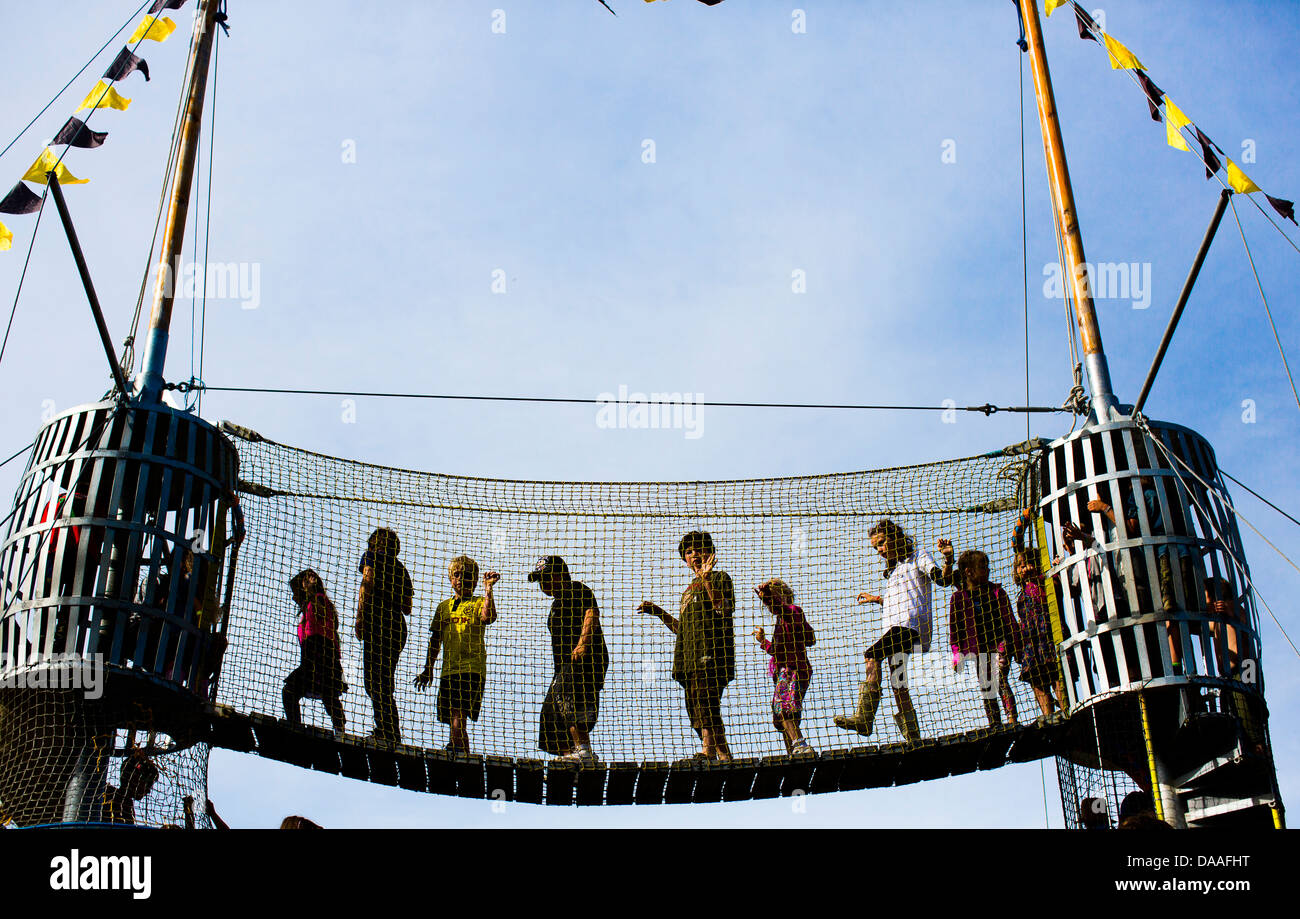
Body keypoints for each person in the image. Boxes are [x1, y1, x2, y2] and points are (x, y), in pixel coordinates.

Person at [835, 519, 954, 743]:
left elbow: (942, 580)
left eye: (882, 543)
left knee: (872, 655)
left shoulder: (918, 556)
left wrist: (948, 558)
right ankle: (913, 736)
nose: (879, 550)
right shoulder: (894, 571)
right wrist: (877, 599)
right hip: (897, 628)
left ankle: (864, 717)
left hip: (910, 627)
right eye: (875, 547)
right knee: (897, 683)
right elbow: (901, 600)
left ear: (896, 537)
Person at [638, 530, 736, 762]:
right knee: (698, 709)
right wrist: (660, 614)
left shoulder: (720, 578)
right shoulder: (688, 591)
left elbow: (722, 609)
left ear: (710, 552)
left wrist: (706, 579)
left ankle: (707, 752)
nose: (694, 555)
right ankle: (724, 757)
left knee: (706, 703)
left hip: (712, 654)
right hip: (688, 659)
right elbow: (683, 629)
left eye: (699, 549)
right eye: (689, 552)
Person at [414, 556, 499, 753]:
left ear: (476, 580)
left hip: (471, 667)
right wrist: (428, 669)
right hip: (448, 670)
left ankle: (457, 748)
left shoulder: (478, 602)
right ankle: (458, 747)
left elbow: (488, 617)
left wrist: (488, 589)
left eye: (468, 576)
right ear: (450, 579)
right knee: (453, 713)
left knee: (457, 710)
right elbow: (435, 640)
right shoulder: (443, 607)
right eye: (457, 575)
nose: (461, 579)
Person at [530, 556, 609, 764]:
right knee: (551, 711)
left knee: (572, 698)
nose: (543, 584)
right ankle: (570, 755)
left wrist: (583, 643)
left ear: (559, 574)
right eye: (540, 580)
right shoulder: (555, 605)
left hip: (587, 659)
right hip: (564, 665)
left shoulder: (577, 590)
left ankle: (584, 750)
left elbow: (591, 614)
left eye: (545, 578)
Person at [948, 549, 1019, 729]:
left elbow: (1009, 619)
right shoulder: (958, 598)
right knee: (987, 685)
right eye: (982, 567)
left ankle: (1012, 718)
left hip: (1000, 643)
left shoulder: (996, 592)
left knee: (1000, 676)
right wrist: (957, 655)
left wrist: (1016, 643)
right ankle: (994, 723)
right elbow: (955, 630)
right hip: (979, 648)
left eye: (987, 567)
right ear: (969, 572)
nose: (987, 570)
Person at [355, 528, 412, 744]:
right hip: (397, 626)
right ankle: (390, 732)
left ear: (374, 544)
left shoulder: (371, 557)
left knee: (373, 682)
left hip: (376, 620)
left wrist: (360, 617)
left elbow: (366, 582)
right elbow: (407, 607)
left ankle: (386, 732)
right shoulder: (402, 569)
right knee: (385, 680)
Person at [753, 578, 816, 756]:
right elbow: (776, 650)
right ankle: (794, 749)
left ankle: (800, 745)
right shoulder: (782, 621)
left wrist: (768, 598)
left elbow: (808, 636)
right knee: (781, 715)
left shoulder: (793, 612)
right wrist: (763, 641)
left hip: (792, 669)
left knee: (784, 707)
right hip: (785, 670)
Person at [282, 569, 347, 736]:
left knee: (320, 692)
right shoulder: (309, 608)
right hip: (311, 656)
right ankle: (297, 726)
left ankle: (338, 728)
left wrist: (311, 591)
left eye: (296, 592)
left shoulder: (318, 600)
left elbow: (321, 615)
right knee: (325, 693)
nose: (293, 597)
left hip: (321, 654)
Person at [1013, 547, 1067, 722]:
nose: (1024, 568)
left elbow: (1056, 591)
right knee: (1037, 680)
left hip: (1048, 637)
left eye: (1027, 564)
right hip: (1031, 643)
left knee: (1055, 674)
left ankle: (1065, 707)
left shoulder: (1044, 582)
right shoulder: (1021, 594)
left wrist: (1039, 575)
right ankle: (1048, 714)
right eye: (1020, 566)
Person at [103, 752, 159, 826]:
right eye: (148, 785)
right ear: (134, 779)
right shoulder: (106, 794)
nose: (148, 791)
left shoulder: (126, 804)